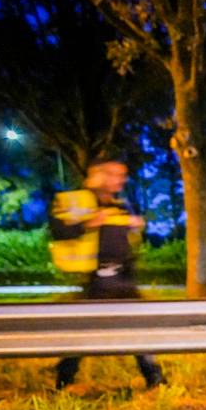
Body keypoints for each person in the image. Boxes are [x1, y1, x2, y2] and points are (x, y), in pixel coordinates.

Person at [49, 158, 165, 390]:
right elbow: (58, 231)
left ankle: (153, 376)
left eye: (123, 175)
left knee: (139, 326)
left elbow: (130, 242)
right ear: (98, 175)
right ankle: (65, 375)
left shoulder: (121, 205)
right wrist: (89, 223)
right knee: (85, 330)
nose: (120, 180)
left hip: (123, 277)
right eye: (115, 174)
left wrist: (135, 228)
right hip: (95, 279)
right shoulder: (76, 201)